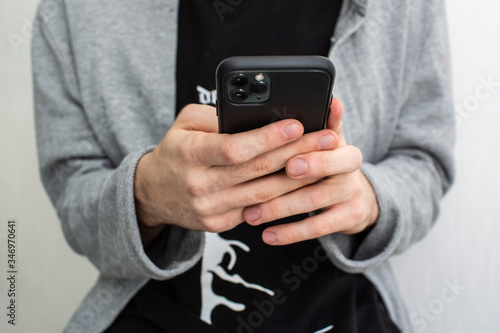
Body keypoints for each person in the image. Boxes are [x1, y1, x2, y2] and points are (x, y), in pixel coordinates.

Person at [32, 0, 455, 332]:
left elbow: (426, 161)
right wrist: (144, 195)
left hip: (346, 312)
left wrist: (368, 201)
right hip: (150, 314)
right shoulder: (74, 9)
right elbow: (73, 194)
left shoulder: (404, 6)